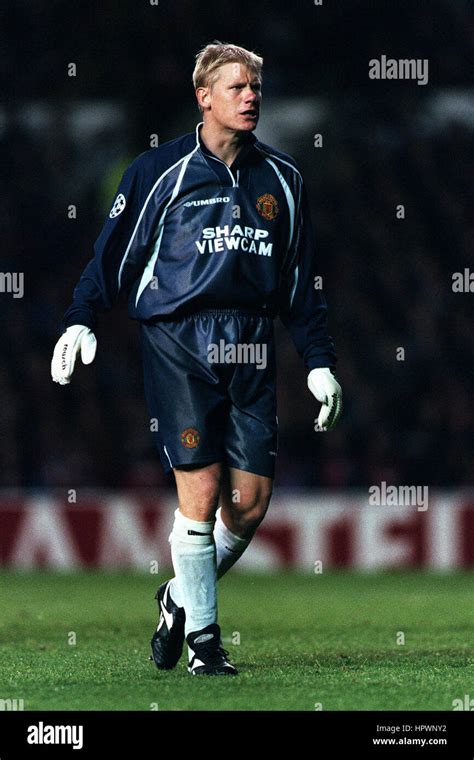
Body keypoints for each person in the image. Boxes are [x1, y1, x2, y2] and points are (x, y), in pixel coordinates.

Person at [51, 41, 343, 676]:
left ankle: (177, 596)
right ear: (203, 96)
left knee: (251, 504)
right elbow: (112, 252)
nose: (250, 98)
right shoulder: (159, 170)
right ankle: (206, 648)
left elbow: (300, 281)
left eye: (256, 89)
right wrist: (81, 316)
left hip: (252, 342)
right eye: (237, 88)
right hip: (179, 340)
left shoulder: (285, 181)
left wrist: (317, 360)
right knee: (203, 491)